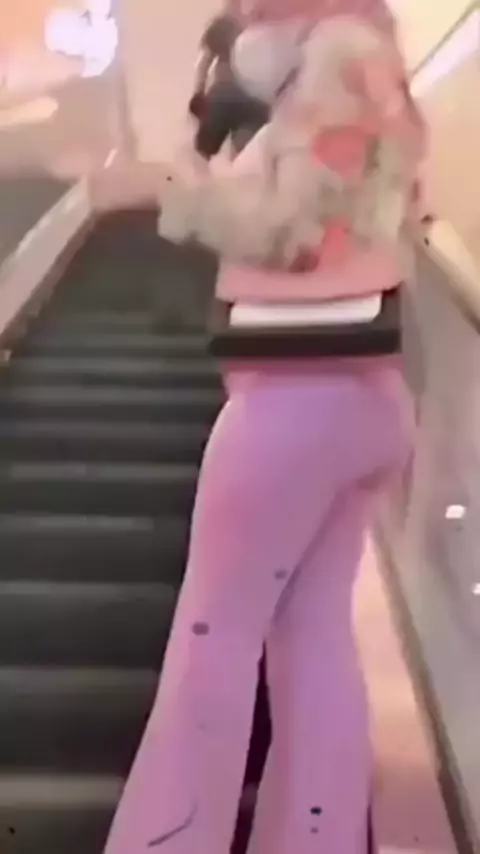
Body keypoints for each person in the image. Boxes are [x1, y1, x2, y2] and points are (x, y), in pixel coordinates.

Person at [104, 2, 426, 854]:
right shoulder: (359, 64)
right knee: (310, 637)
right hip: (357, 397)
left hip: (294, 400)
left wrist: (179, 188)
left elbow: (293, 228)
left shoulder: (340, 60)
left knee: (212, 637)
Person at [189, 0, 269, 160]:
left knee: (203, 151)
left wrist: (199, 91)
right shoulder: (265, 23)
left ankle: (203, 170)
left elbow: (205, 60)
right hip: (253, 97)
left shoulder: (223, 24)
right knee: (244, 148)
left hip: (225, 95)